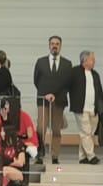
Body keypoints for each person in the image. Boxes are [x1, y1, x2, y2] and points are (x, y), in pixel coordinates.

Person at [32, 35, 76, 165]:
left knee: (56, 130)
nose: (54, 46)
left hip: (59, 101)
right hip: (43, 100)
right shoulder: (41, 62)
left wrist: (55, 94)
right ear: (49, 45)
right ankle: (39, 154)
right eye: (52, 43)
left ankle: (55, 156)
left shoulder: (67, 64)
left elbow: (68, 84)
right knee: (41, 128)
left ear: (60, 46)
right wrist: (46, 94)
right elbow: (36, 80)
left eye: (57, 43)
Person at [70, 50, 103, 165]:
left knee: (88, 133)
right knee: (85, 132)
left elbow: (99, 93)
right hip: (81, 108)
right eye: (92, 59)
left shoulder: (95, 74)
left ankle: (82, 157)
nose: (94, 61)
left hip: (93, 109)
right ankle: (91, 156)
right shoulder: (74, 72)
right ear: (84, 60)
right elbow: (66, 85)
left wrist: (101, 109)